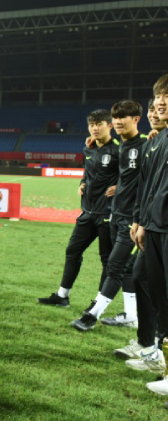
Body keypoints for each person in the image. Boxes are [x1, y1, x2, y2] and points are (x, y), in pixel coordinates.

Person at [70, 101, 146, 331]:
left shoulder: (146, 144)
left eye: (124, 117)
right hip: (115, 214)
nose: (119, 121)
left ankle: (92, 315)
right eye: (116, 117)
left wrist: (141, 218)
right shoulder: (119, 147)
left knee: (114, 265)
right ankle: (131, 316)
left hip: (134, 218)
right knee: (126, 268)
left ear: (136, 119)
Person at [39, 109, 119, 307]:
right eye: (92, 125)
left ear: (109, 125)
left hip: (108, 213)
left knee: (107, 260)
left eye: (99, 124)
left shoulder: (119, 150)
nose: (95, 128)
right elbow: (87, 173)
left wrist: (120, 187)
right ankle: (62, 296)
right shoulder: (87, 149)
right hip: (88, 212)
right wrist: (82, 183)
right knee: (72, 251)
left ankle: (98, 304)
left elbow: (134, 175)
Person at [113, 99, 168, 373]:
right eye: (153, 107)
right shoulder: (153, 143)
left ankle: (156, 349)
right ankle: (149, 346)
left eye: (161, 105)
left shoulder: (157, 141)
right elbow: (145, 188)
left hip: (160, 225)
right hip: (150, 223)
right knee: (141, 278)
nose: (155, 112)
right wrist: (138, 219)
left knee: (158, 287)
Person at [131, 75, 168, 395]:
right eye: (158, 97)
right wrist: (142, 220)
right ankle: (158, 352)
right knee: (156, 291)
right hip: (156, 225)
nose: (160, 103)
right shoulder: (158, 139)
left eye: (166, 98)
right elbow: (150, 186)